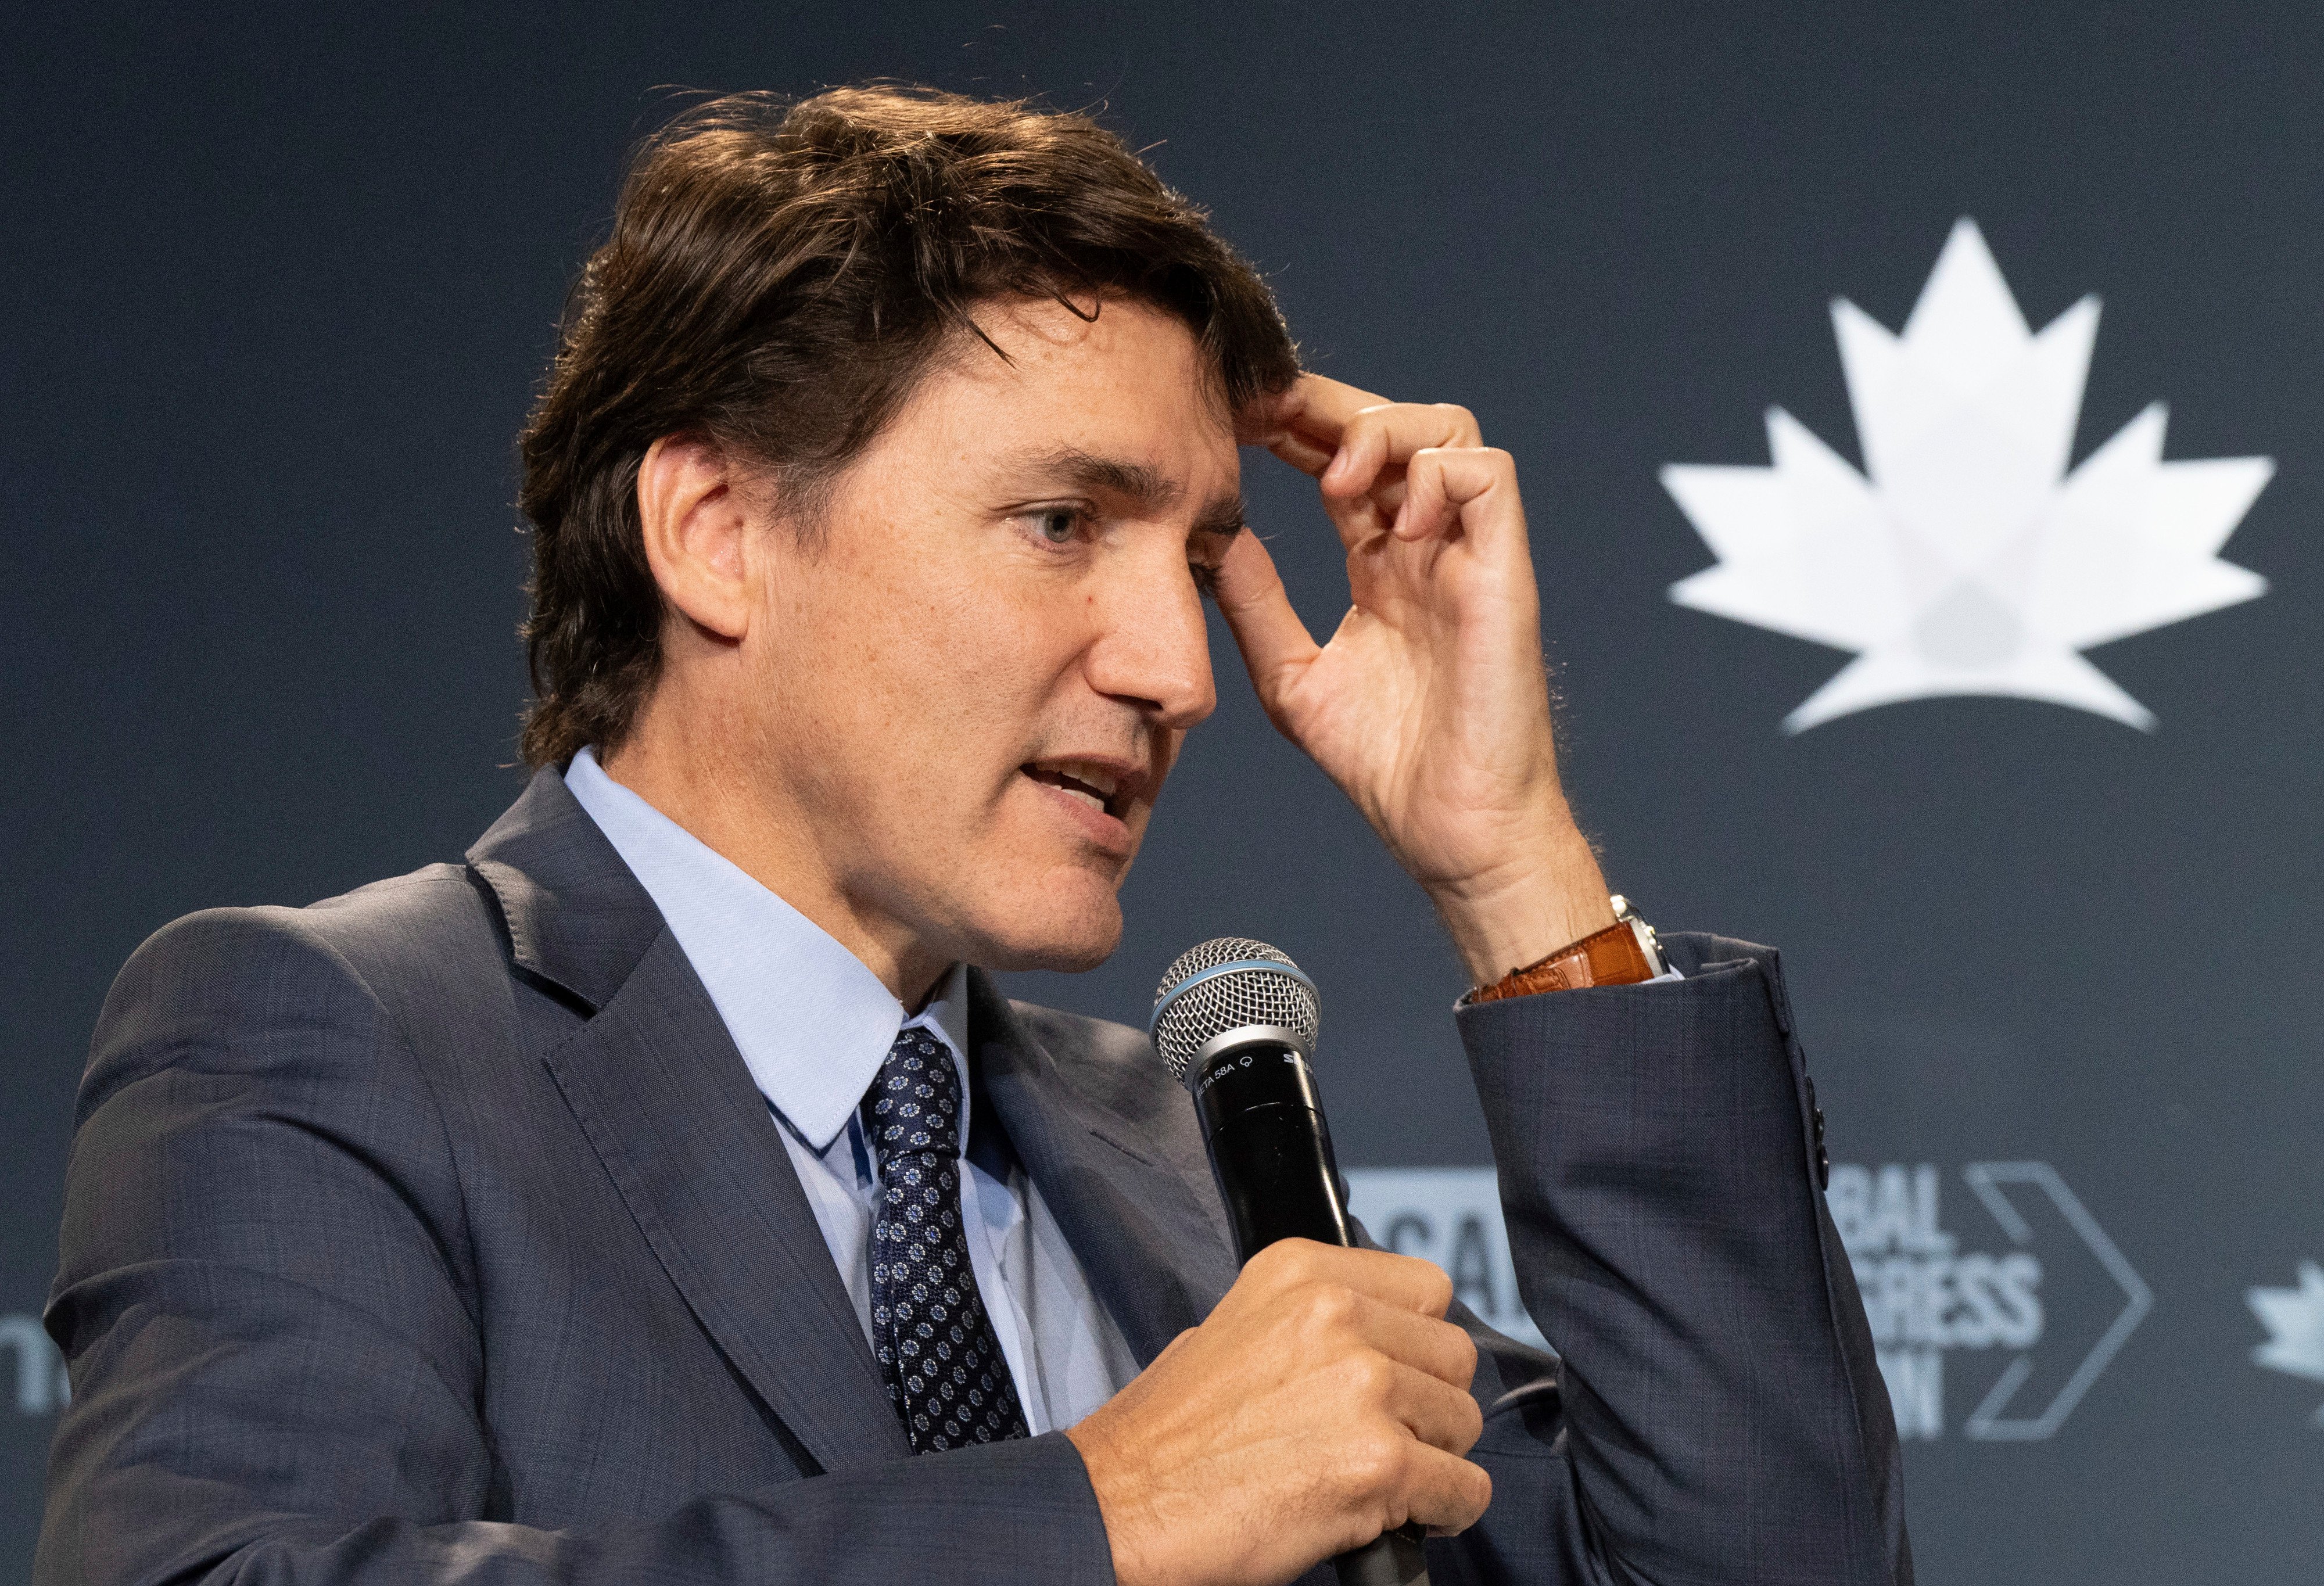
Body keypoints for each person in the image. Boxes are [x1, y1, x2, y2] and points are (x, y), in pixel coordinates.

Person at [35, 87, 1909, 1586]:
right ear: (716, 531)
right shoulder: (327, 1035)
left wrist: (1510, 865)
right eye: (1063, 524)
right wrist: (1096, 1515)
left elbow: (1781, 1557)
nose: (1179, 666)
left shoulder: (1190, 1141)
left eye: (1190, 557)